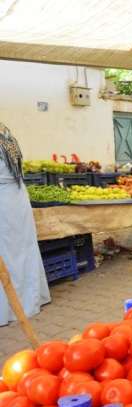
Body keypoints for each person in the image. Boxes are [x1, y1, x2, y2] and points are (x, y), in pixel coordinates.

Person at [0, 123, 51, 326]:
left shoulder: (5, 133)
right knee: (19, 248)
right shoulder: (7, 134)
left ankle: (19, 302)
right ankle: (29, 297)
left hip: (8, 198)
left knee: (12, 250)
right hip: (16, 196)